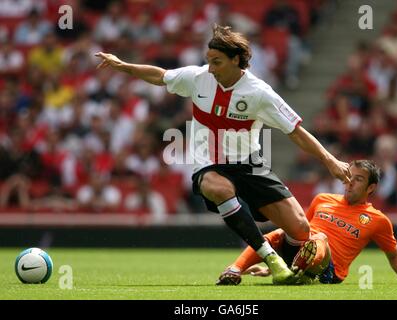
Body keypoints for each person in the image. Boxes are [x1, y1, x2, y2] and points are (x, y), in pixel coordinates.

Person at [95, 24, 351, 284]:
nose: (211, 68)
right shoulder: (198, 78)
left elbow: (295, 131)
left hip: (250, 166)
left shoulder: (259, 93)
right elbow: (160, 76)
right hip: (210, 165)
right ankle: (270, 258)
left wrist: (329, 161)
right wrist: (123, 66)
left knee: (300, 228)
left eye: (217, 62)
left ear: (236, 60)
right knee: (217, 187)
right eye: (209, 61)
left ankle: (295, 265)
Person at [217, 160, 397, 286]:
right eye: (350, 176)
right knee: (282, 232)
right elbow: (300, 233)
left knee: (319, 238)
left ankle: (303, 273)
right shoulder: (322, 199)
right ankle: (234, 270)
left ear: (371, 188)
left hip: (330, 270)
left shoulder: (378, 219)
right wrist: (271, 268)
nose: (350, 182)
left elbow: (393, 254)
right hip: (306, 251)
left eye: (359, 179)